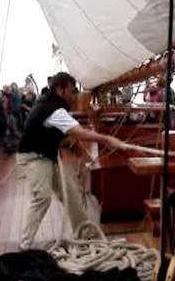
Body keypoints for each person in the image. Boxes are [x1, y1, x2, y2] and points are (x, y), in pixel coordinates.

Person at [17, 72, 125, 250]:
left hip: (47, 155)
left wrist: (75, 151)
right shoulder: (54, 109)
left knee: (70, 195)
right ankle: (24, 247)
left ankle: (85, 235)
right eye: (71, 91)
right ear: (60, 90)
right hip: (33, 157)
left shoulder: (50, 104)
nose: (74, 95)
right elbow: (79, 132)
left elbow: (62, 134)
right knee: (42, 197)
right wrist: (107, 139)